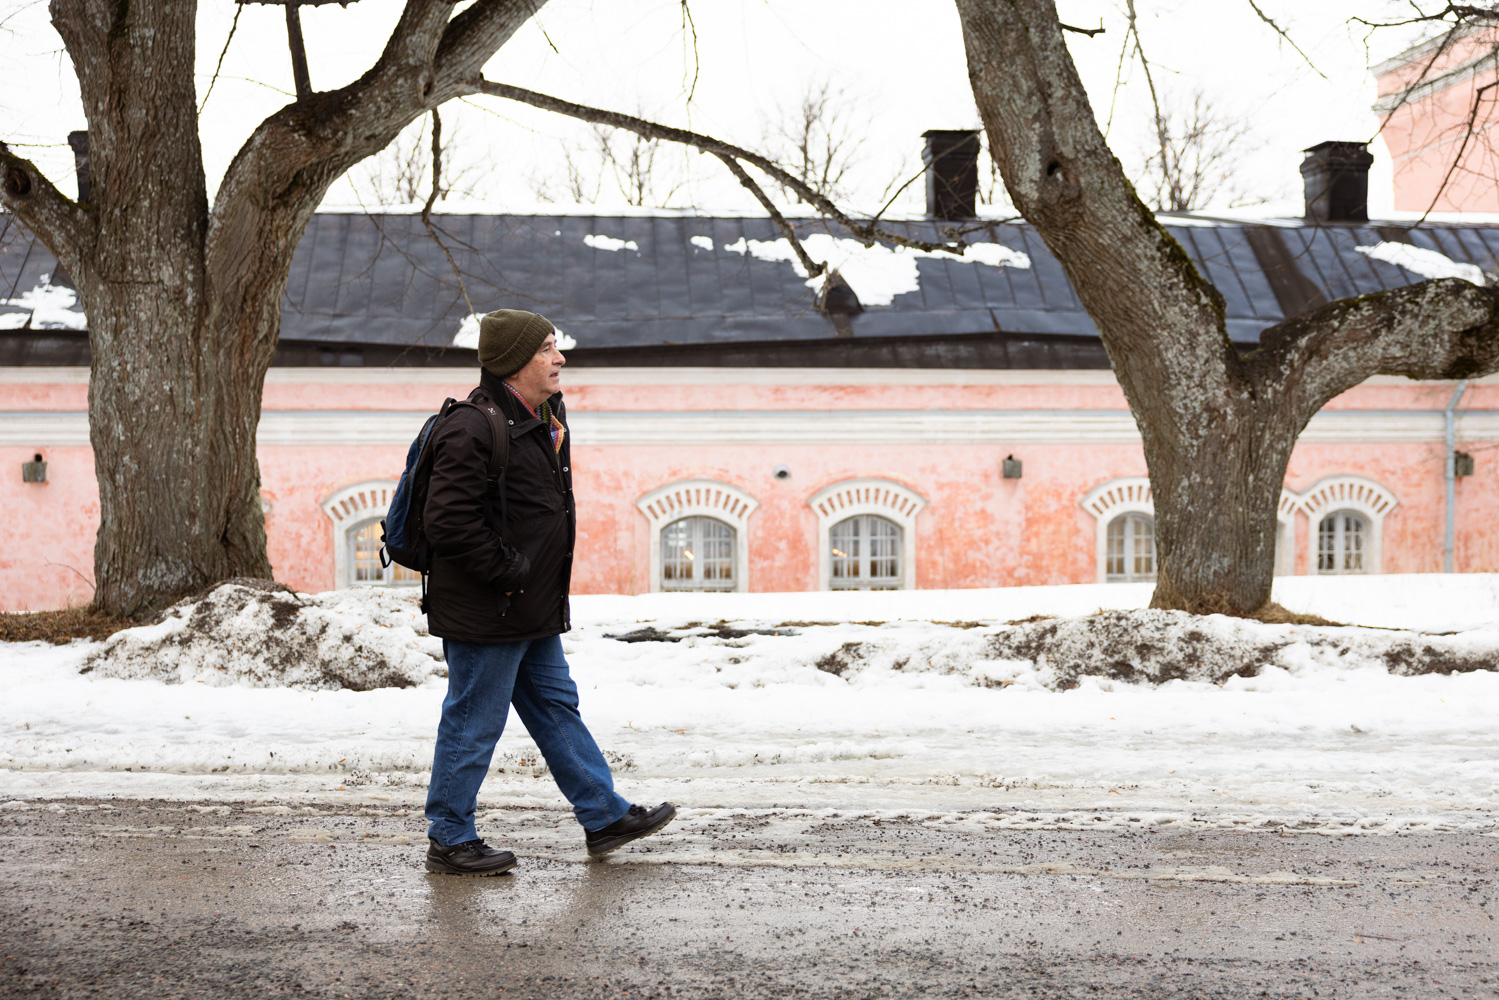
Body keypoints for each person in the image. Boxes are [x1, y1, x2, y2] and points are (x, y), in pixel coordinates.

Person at [420, 308, 675, 876]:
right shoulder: (472, 426)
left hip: (529, 605)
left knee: (557, 707)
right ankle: (450, 837)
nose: (559, 359)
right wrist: (510, 570)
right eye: (546, 350)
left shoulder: (541, 418)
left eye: (555, 347)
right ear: (513, 362)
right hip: (490, 607)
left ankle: (603, 815)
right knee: (474, 720)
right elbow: (449, 521)